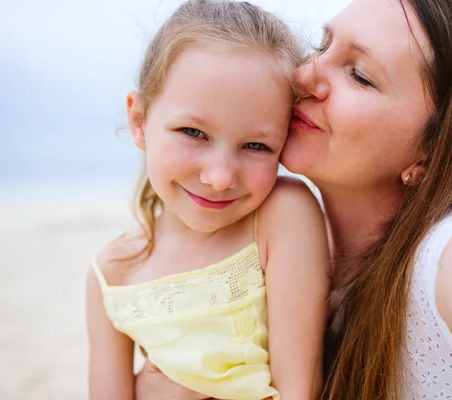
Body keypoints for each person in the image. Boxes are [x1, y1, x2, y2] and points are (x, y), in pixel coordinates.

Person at [135, 0, 452, 399]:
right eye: (321, 46)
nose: (305, 74)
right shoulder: (280, 243)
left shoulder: (448, 252)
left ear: (433, 151)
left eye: (359, 75)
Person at [85, 1, 329, 399]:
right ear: (139, 122)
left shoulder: (282, 216)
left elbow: (300, 391)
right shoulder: (111, 274)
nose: (219, 178)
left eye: (255, 145)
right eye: (192, 132)